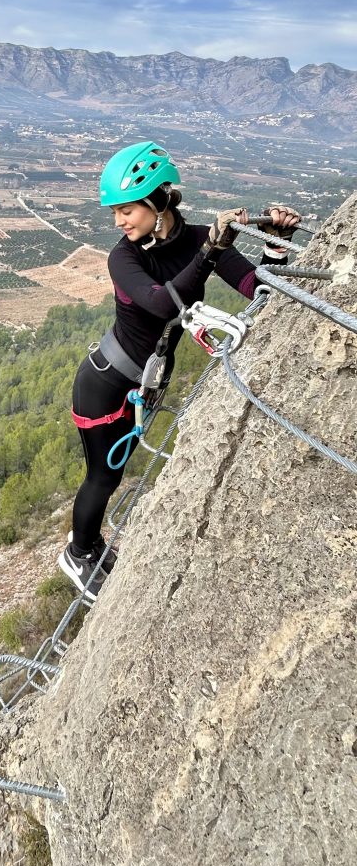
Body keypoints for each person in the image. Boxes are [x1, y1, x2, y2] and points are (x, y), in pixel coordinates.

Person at [59, 140, 301, 599]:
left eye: (126, 210)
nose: (118, 222)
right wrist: (210, 249)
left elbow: (261, 294)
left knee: (115, 471)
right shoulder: (124, 257)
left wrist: (277, 244)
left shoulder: (195, 240)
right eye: (116, 213)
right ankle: (80, 552)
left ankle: (91, 547)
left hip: (138, 384)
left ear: (156, 201)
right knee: (103, 476)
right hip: (104, 383)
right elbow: (161, 301)